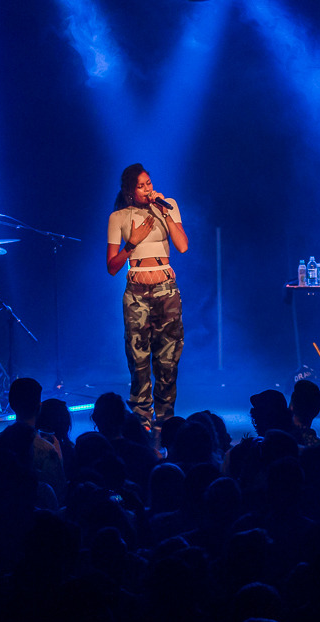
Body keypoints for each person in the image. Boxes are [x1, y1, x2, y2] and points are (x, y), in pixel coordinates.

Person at [107, 163, 189, 430]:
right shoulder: (119, 217)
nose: (147, 189)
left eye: (149, 184)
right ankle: (141, 423)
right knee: (138, 361)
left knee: (168, 362)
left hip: (166, 291)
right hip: (137, 295)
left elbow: (182, 246)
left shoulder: (169, 205)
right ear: (130, 191)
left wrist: (165, 213)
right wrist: (133, 242)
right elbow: (112, 266)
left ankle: (166, 422)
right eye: (141, 186)